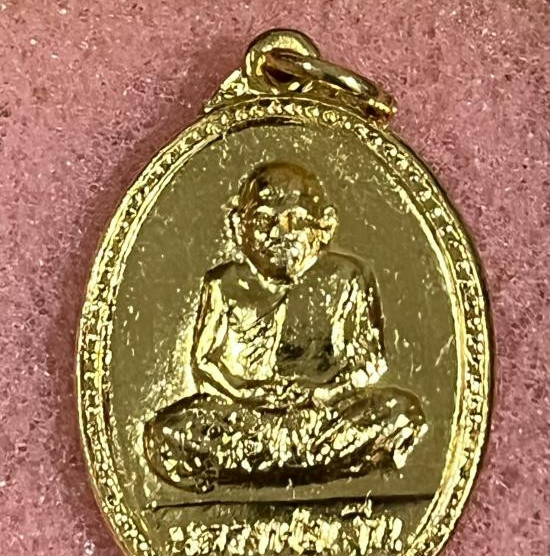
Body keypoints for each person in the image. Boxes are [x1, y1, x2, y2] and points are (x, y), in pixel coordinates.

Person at [145, 162, 426, 493]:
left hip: (323, 418)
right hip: (246, 420)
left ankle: (254, 470)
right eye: (263, 221)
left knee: (402, 412)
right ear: (238, 227)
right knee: (167, 430)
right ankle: (318, 467)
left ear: (324, 226)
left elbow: (370, 364)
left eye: (294, 220)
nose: (278, 234)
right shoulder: (223, 283)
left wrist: (321, 394)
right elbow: (205, 362)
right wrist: (248, 393)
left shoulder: (347, 276)